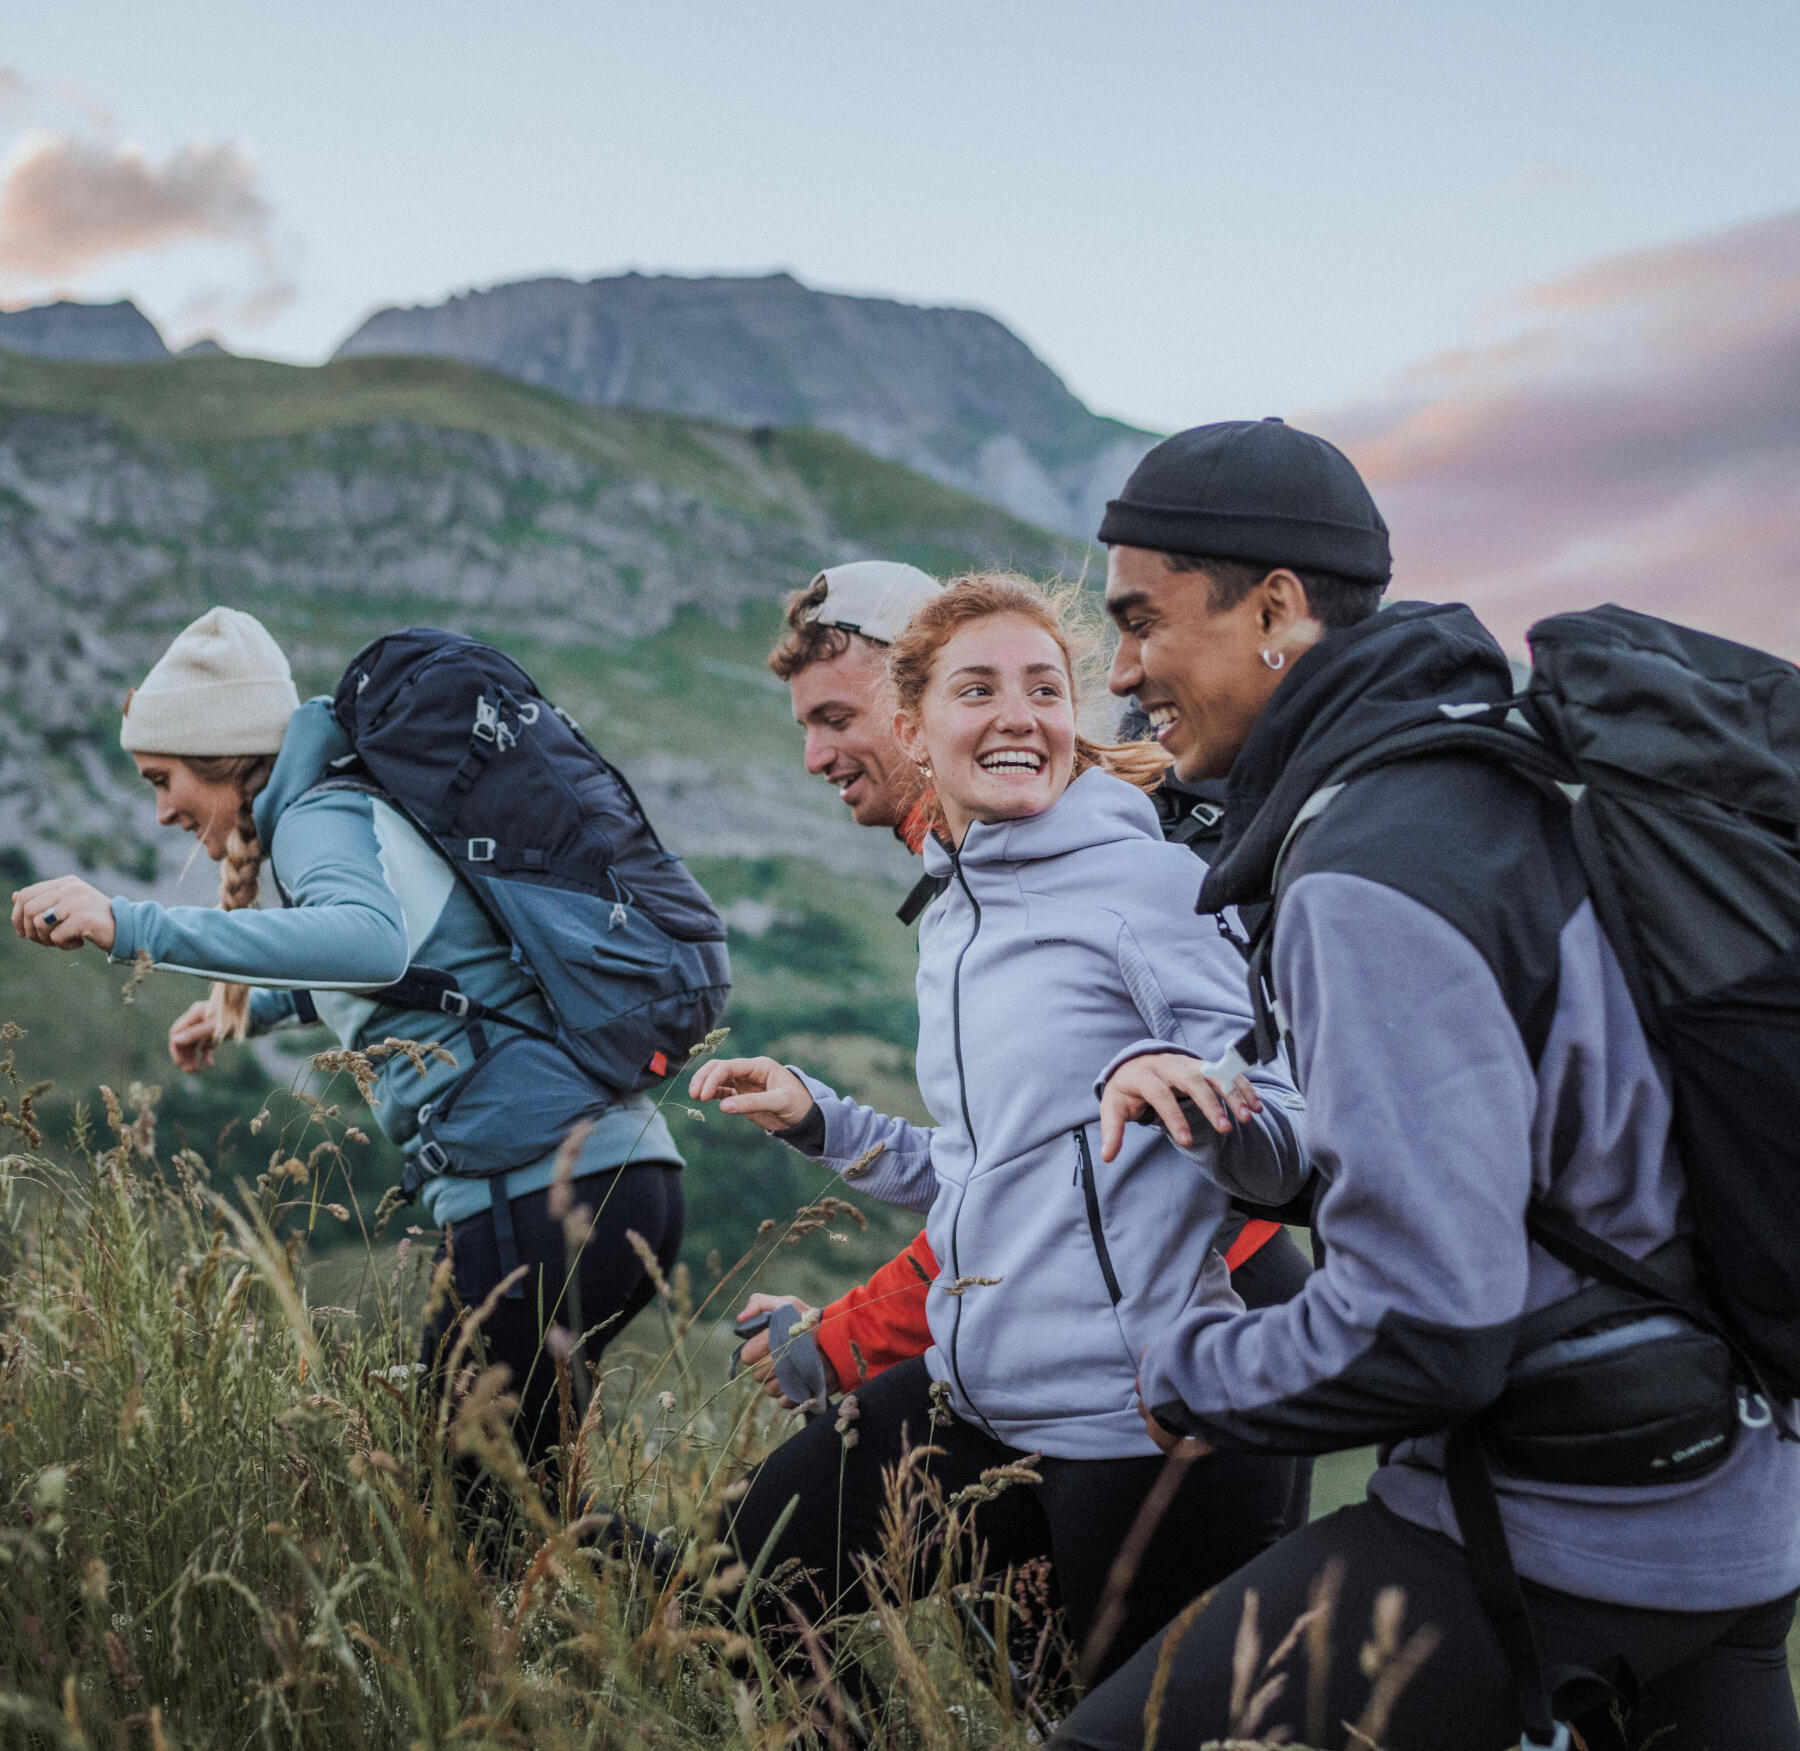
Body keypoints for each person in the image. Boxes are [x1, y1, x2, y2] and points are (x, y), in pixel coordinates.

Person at [1049, 419, 1800, 1750]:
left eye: (1141, 619)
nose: (1121, 671)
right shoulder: (1506, 775)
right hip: (1735, 1511)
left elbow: (1423, 1325)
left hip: (1560, 1529)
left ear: (1275, 606)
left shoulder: (1375, 864)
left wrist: (1188, 1369)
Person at [692, 572, 1309, 1682]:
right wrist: (821, 1119)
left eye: (1042, 687)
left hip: (1147, 1408)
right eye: (978, 688)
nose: (1017, 713)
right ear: (922, 727)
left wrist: (1194, 1086)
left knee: (1115, 1711)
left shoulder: (1149, 881)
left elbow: (1282, 1104)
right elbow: (996, 1175)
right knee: (747, 1577)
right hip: (987, 1389)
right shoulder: (959, 907)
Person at [9, 607, 685, 1472]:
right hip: (619, 1182)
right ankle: (648, 1596)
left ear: (220, 759)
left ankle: (698, 1591)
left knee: (472, 1522)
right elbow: (438, 958)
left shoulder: (319, 812)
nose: (160, 809)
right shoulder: (349, 801)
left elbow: (370, 941)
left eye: (162, 777)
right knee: (519, 1503)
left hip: (541, 1200)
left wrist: (132, 924)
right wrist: (263, 1009)